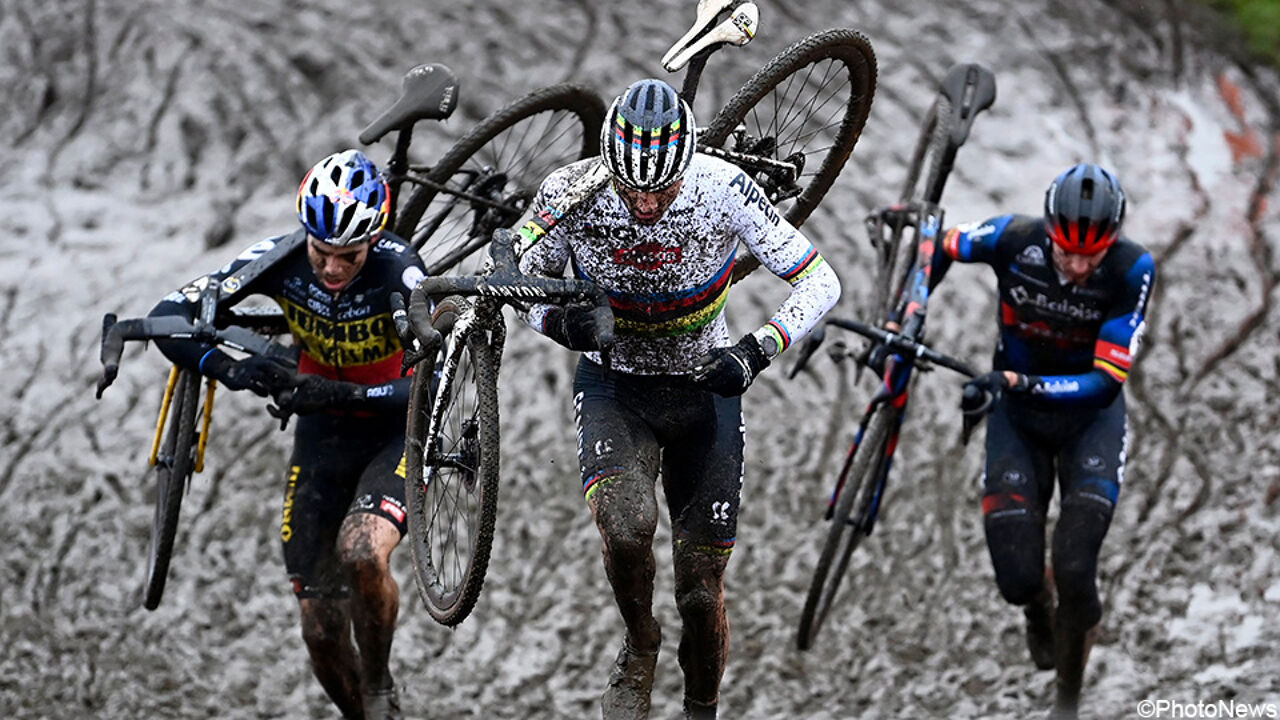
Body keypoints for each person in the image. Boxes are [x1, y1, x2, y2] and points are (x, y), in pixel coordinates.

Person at [515, 78, 841, 719]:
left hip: (704, 393)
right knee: (628, 528)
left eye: (662, 188)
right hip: (616, 387)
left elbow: (820, 279)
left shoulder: (723, 188)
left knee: (699, 591)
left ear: (686, 165)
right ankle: (640, 645)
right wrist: (557, 322)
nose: (644, 203)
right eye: (632, 187)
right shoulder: (570, 192)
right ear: (608, 162)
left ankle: (701, 708)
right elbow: (515, 281)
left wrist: (758, 348)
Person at [149, 149, 426, 720]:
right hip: (321, 434)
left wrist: (347, 393)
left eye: (347, 257)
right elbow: (169, 316)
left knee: (362, 551)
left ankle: (378, 683)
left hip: (392, 429)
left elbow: (435, 385)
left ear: (373, 241)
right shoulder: (278, 258)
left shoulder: (400, 269)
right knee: (320, 627)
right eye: (320, 252)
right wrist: (230, 368)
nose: (330, 269)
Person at [896, 163, 1154, 719]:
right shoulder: (1014, 238)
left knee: (1076, 564)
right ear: (1048, 229)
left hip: (1091, 422)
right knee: (1016, 578)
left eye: (1093, 256)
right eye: (1067, 252)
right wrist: (915, 310)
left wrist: (1017, 381)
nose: (1080, 266)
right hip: (1018, 421)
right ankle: (1037, 609)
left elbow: (1107, 379)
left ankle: (1067, 701)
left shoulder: (1132, 269)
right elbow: (938, 245)